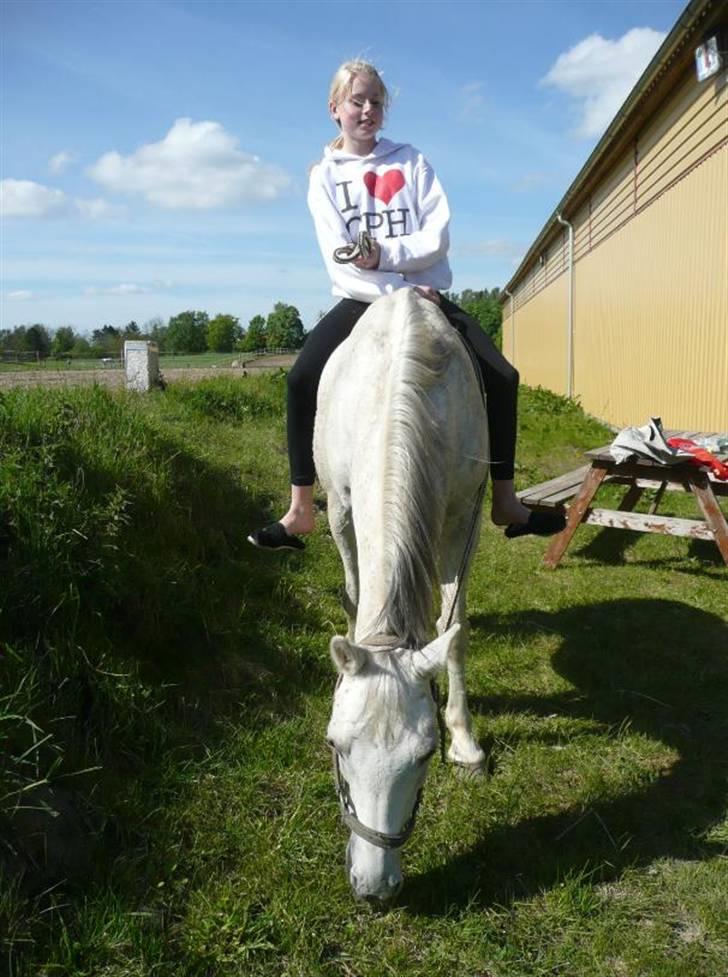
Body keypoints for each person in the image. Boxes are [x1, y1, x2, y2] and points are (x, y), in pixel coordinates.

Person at [248, 59, 564, 552]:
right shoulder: (323, 177)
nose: (367, 110)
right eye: (357, 101)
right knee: (300, 380)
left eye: (376, 101)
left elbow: (436, 237)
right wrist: (393, 290)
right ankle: (301, 508)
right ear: (334, 109)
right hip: (361, 299)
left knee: (503, 376)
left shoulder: (411, 161)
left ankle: (505, 498)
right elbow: (340, 257)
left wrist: (391, 261)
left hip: (427, 296)